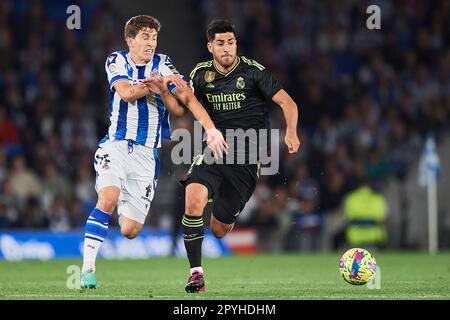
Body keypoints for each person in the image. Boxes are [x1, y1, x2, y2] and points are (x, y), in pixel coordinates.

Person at [80, 15, 227, 289]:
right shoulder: (117, 60)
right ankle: (87, 269)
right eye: (145, 37)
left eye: (154, 37)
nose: (150, 43)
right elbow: (125, 93)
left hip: (147, 155)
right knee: (107, 198)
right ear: (130, 40)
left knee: (130, 230)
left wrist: (207, 126)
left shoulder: (164, 63)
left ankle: (123, 195)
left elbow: (180, 107)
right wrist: (155, 84)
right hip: (117, 144)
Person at [178, 20, 301, 292]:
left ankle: (219, 198)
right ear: (210, 46)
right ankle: (195, 273)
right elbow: (186, 102)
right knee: (193, 199)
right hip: (214, 149)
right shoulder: (200, 74)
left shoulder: (254, 72)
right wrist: (167, 92)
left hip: (247, 158)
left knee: (220, 229)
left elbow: (287, 102)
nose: (227, 48)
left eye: (230, 42)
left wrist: (290, 131)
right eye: (220, 43)